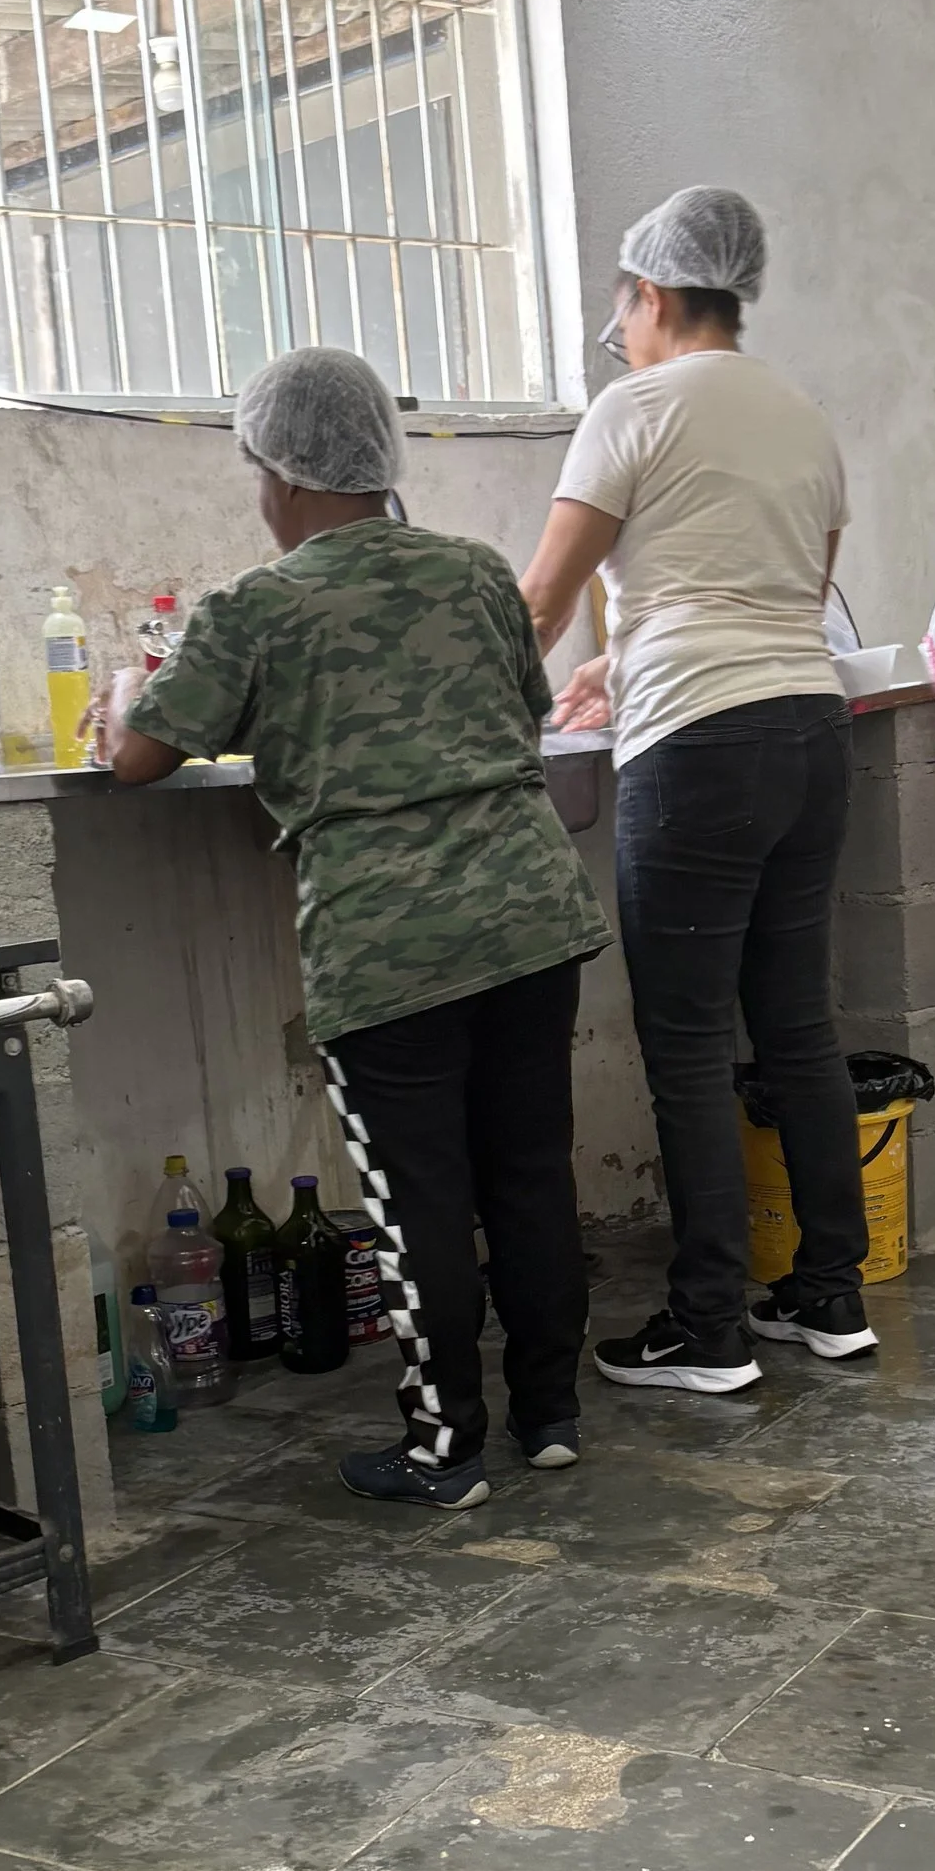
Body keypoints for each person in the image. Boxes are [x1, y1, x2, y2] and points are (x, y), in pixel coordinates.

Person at [111, 346, 608, 1508]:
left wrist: (127, 696)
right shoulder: (479, 573)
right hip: (530, 913)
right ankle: (550, 1417)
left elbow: (137, 760)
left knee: (416, 1194)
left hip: (389, 942)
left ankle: (447, 1450)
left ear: (276, 471)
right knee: (529, 1172)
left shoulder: (256, 604)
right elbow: (524, 711)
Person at [518, 185, 870, 1392]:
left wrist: (487, 699)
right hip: (809, 735)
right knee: (797, 1028)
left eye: (620, 309)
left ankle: (707, 1328)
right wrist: (631, 655)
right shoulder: (805, 417)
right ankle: (828, 1295)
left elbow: (542, 598)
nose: (616, 333)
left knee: (683, 1045)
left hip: (698, 751)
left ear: (653, 296)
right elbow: (786, 594)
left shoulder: (634, 405)